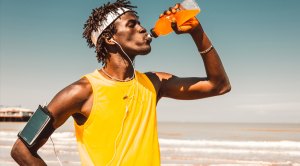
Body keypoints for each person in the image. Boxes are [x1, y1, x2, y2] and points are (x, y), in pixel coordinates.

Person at [11, 0, 231, 165]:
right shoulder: (81, 91)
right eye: (132, 24)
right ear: (110, 38)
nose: (143, 29)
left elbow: (220, 85)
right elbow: (21, 149)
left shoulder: (154, 83)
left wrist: (197, 32)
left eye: (140, 23)